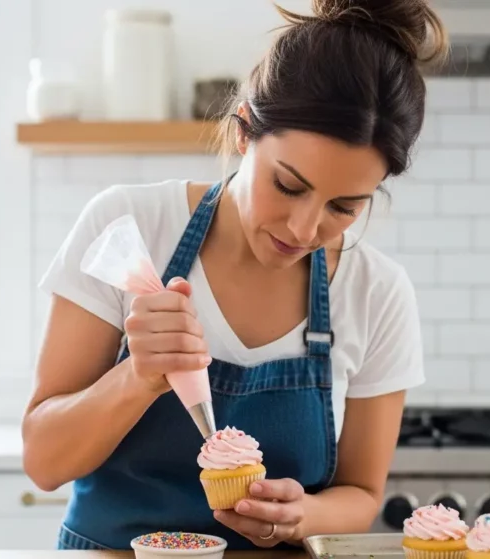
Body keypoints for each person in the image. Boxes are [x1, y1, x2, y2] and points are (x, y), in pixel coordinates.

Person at [22, 0, 449, 551]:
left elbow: (362, 494)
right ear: (244, 131)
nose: (303, 228)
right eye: (288, 186)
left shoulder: (376, 291)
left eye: (344, 207)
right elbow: (44, 462)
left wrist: (305, 514)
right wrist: (137, 376)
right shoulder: (128, 228)